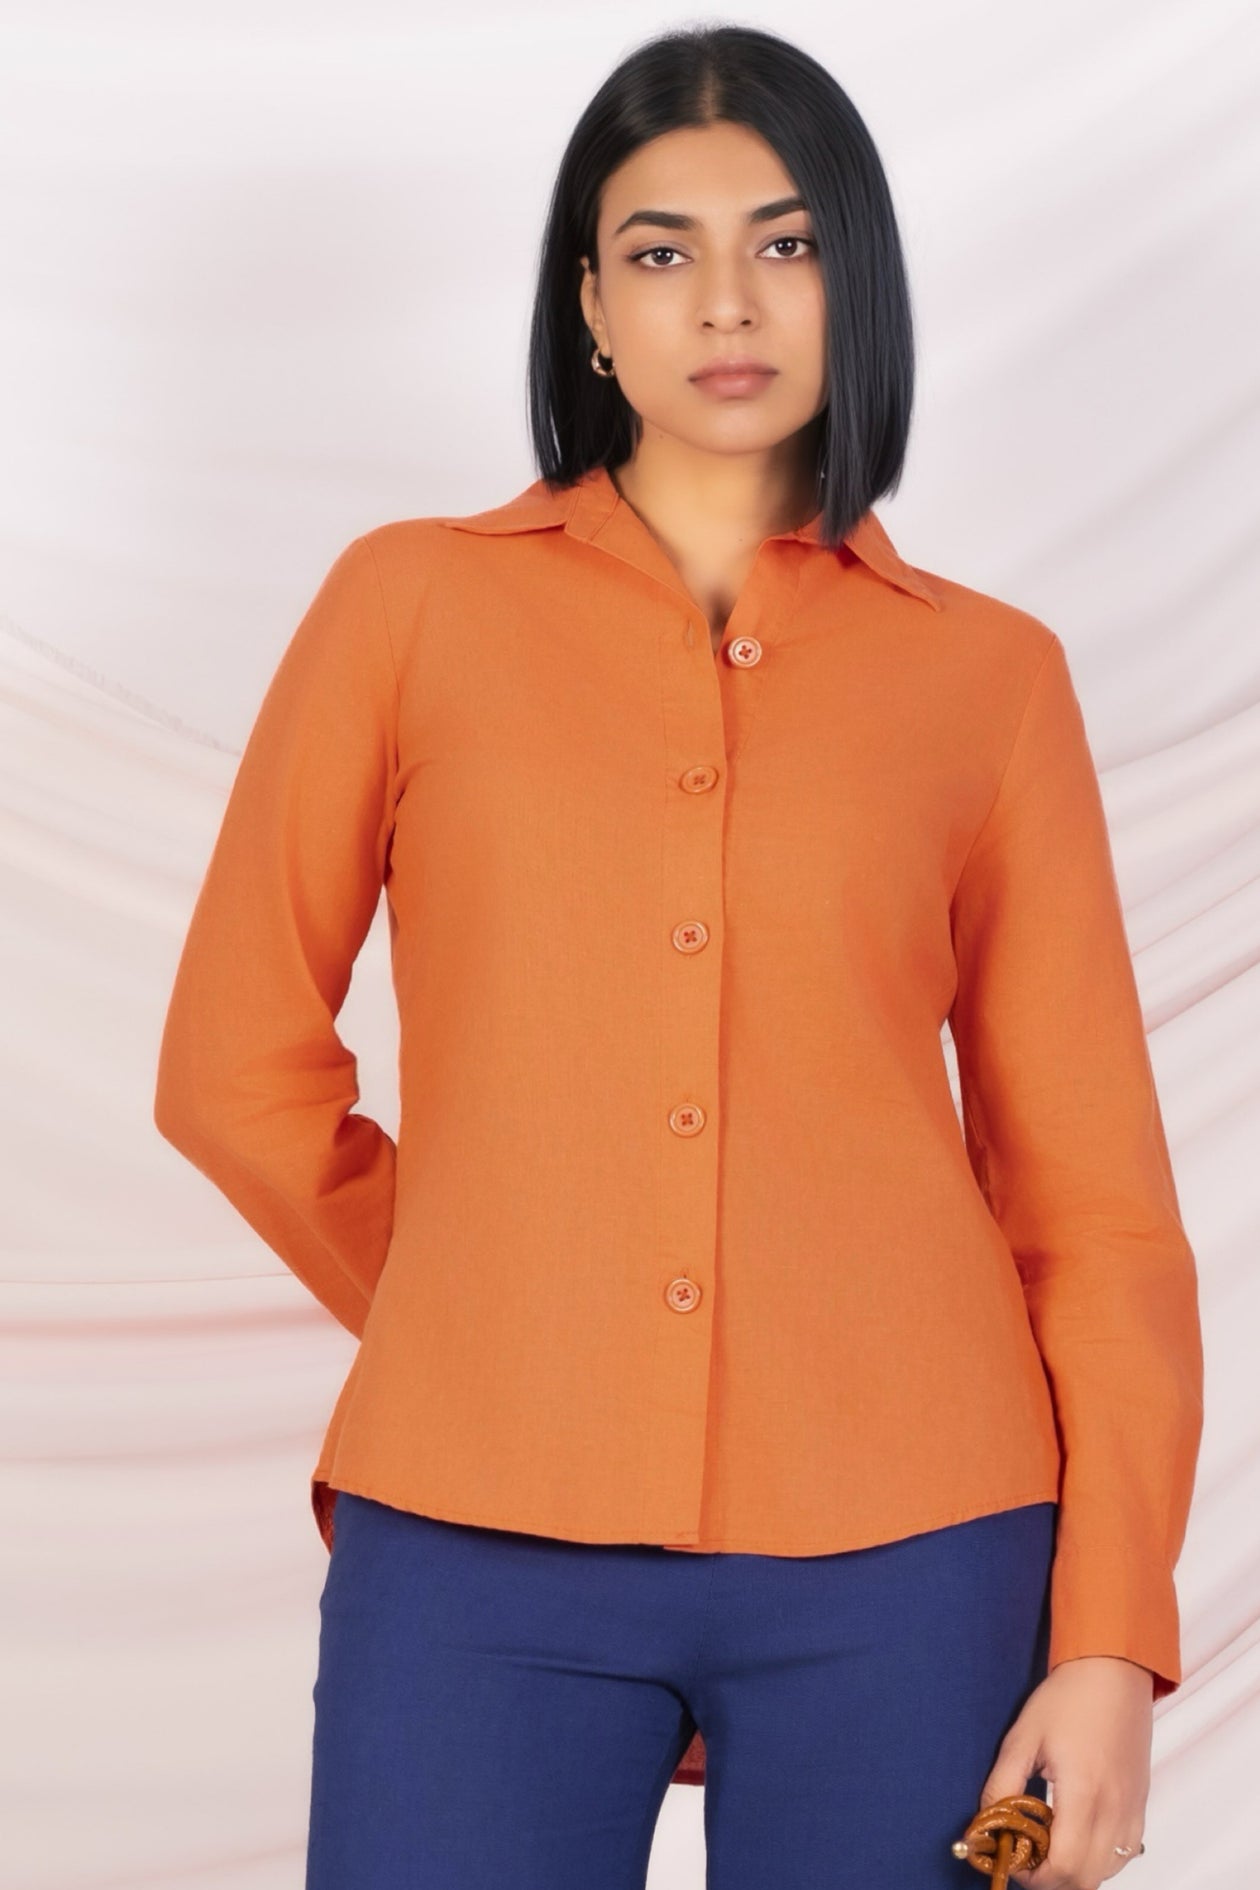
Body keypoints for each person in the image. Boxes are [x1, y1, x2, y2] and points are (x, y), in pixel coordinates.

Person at [152, 23, 1204, 1890]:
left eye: (785, 243)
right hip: (475, 1537)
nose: (728, 299)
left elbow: (1094, 1204)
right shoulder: (410, 604)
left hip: (922, 1548)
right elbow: (234, 1064)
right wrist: (500, 1304)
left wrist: (1112, 1634)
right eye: (662, 250)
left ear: (855, 279)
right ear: (589, 305)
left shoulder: (990, 677)